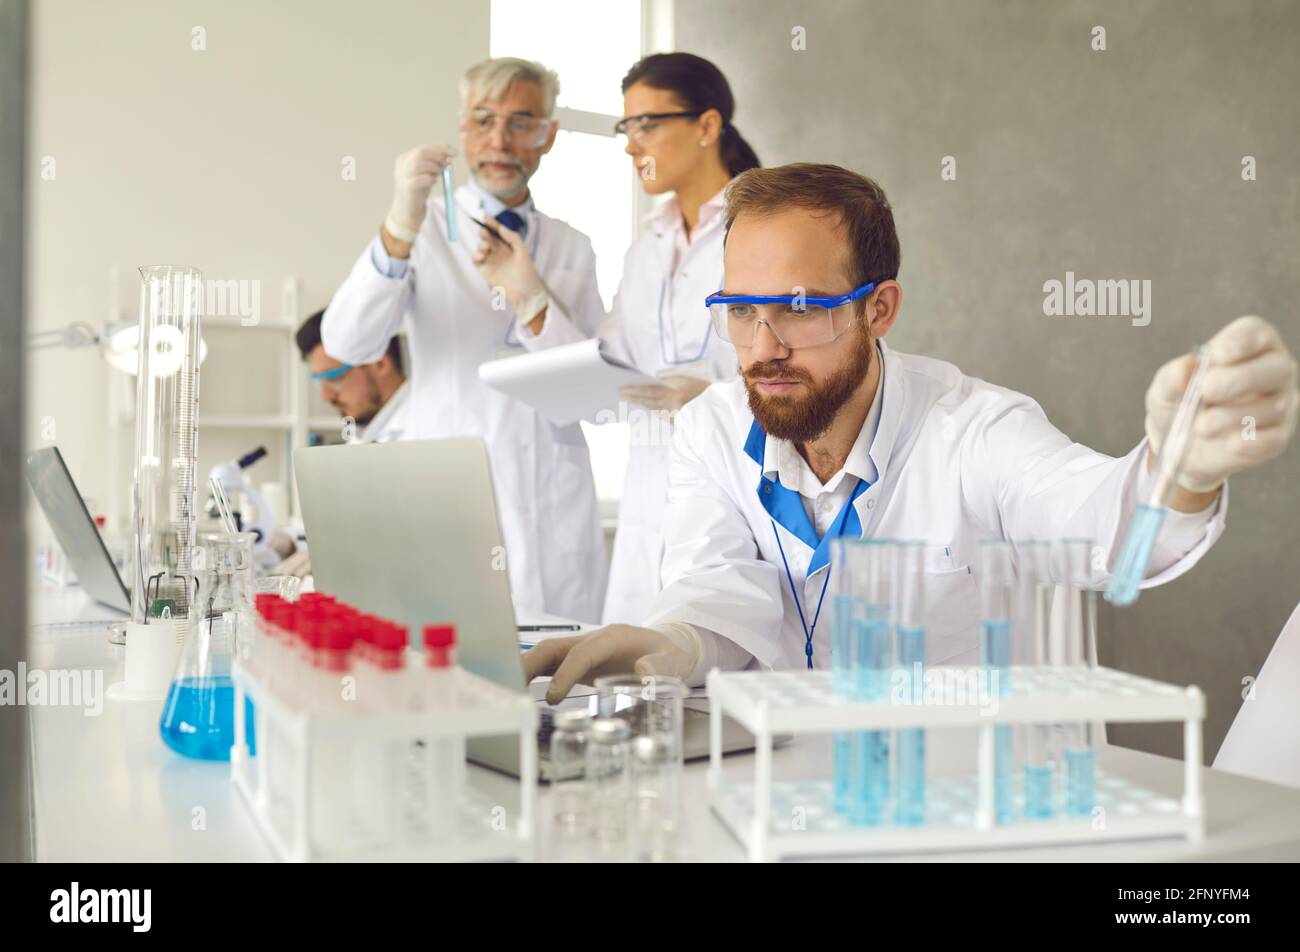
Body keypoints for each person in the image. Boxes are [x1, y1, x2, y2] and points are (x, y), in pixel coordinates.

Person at [525, 163, 1299, 702]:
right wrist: (678, 644)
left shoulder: (975, 431)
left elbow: (1105, 532)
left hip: (957, 802)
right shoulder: (711, 430)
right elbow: (720, 582)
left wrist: (1179, 468)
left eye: (799, 308)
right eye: (740, 311)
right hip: (781, 797)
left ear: (880, 308)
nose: (763, 347)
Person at [320, 57, 607, 623]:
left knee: (558, 688)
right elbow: (348, 342)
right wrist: (400, 226)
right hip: (449, 506)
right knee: (447, 685)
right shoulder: (424, 231)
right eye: (483, 120)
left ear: (548, 136)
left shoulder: (574, 248)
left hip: (555, 518)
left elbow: (595, 395)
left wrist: (533, 302)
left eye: (522, 122)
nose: (500, 139)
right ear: (462, 130)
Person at [523, 52, 761, 624]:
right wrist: (527, 294)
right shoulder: (645, 249)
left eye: (647, 124)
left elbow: (816, 362)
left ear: (707, 126)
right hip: (649, 502)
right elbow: (604, 377)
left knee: (729, 666)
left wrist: (717, 397)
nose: (631, 145)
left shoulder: (763, 226)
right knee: (643, 677)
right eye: (625, 127)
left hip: (744, 491)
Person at [296, 309, 409, 443]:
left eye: (333, 378)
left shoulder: (429, 429)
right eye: (319, 381)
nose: (326, 396)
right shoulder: (361, 434)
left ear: (379, 363)